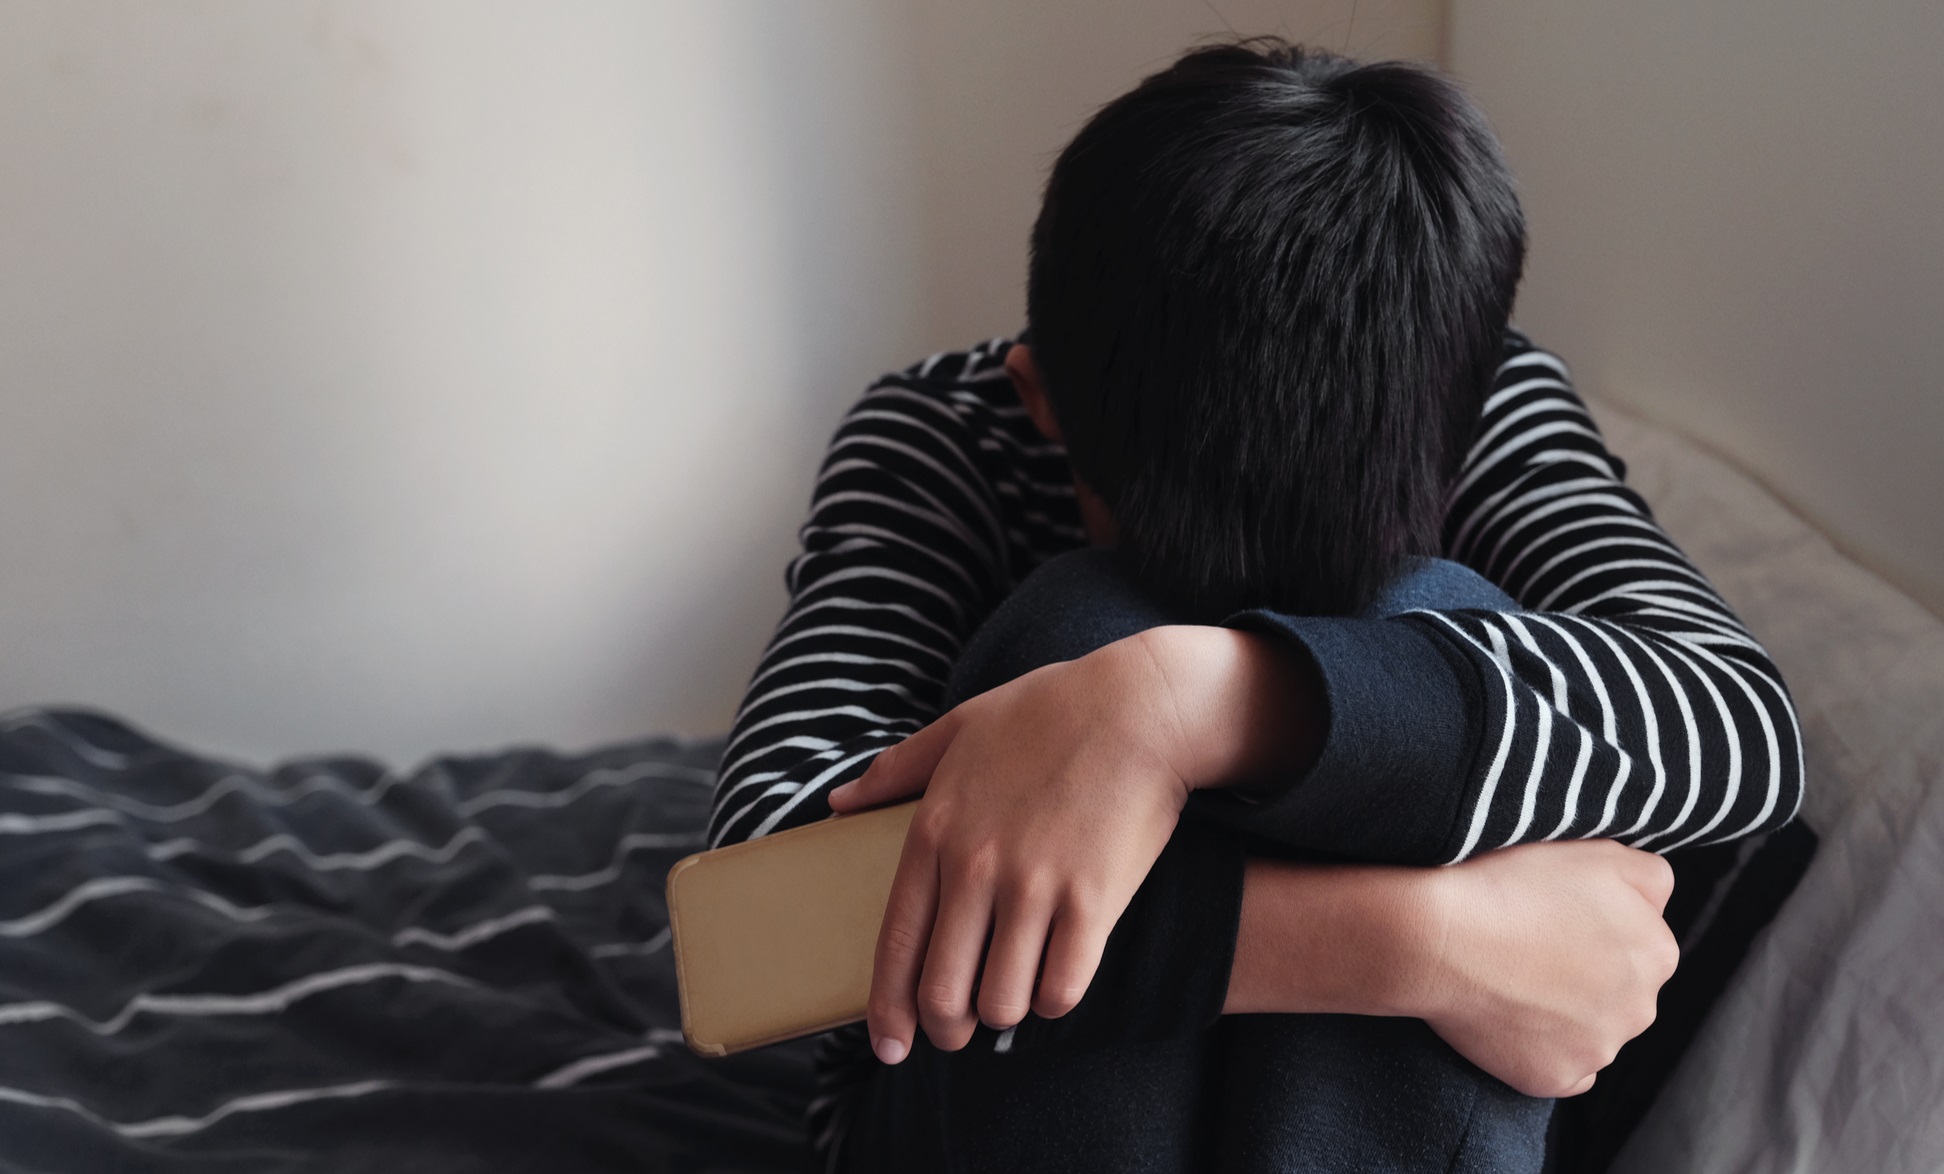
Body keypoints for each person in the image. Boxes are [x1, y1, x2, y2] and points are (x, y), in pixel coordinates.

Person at [709, 40, 1802, 1171]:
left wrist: (1190, 702)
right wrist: (1421, 944)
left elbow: (1742, 727)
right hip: (972, 1114)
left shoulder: (1467, 392)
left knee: (1421, 623)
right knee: (1084, 627)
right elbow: (748, 922)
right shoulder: (944, 436)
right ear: (1034, 394)